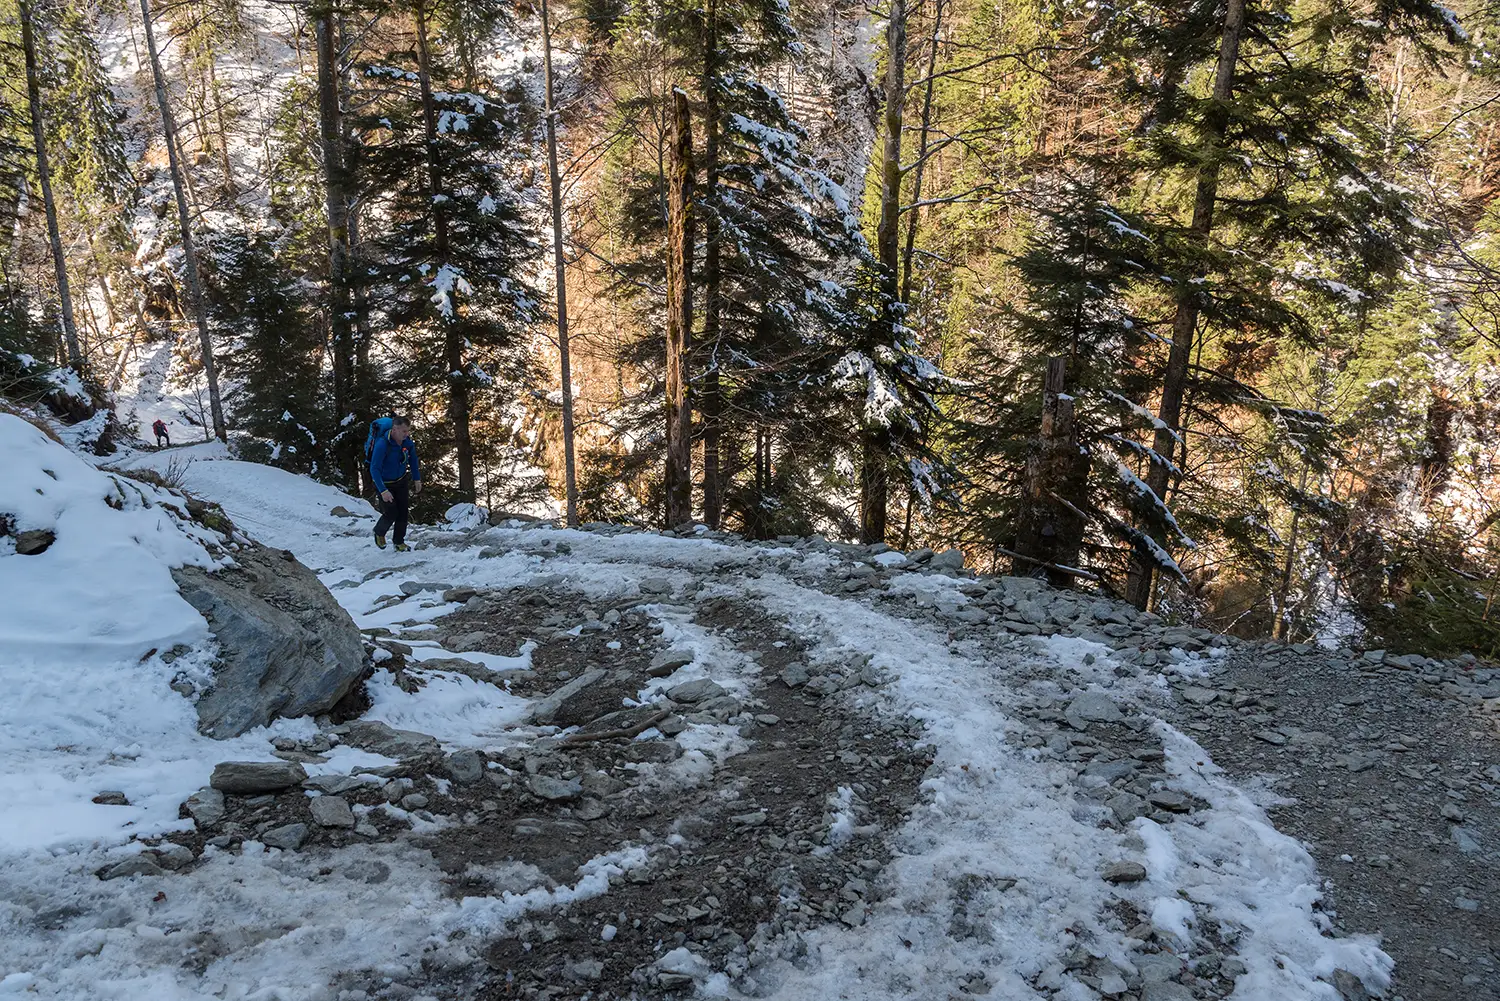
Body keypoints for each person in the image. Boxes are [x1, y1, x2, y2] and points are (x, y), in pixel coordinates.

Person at [370, 415, 421, 552]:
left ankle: (399, 542)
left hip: (401, 480)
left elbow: (413, 460)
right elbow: (374, 468)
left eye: (408, 431)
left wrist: (417, 479)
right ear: (394, 429)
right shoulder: (382, 444)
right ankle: (379, 532)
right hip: (385, 484)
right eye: (404, 431)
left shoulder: (407, 443)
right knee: (392, 512)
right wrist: (383, 490)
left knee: (403, 512)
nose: (407, 434)